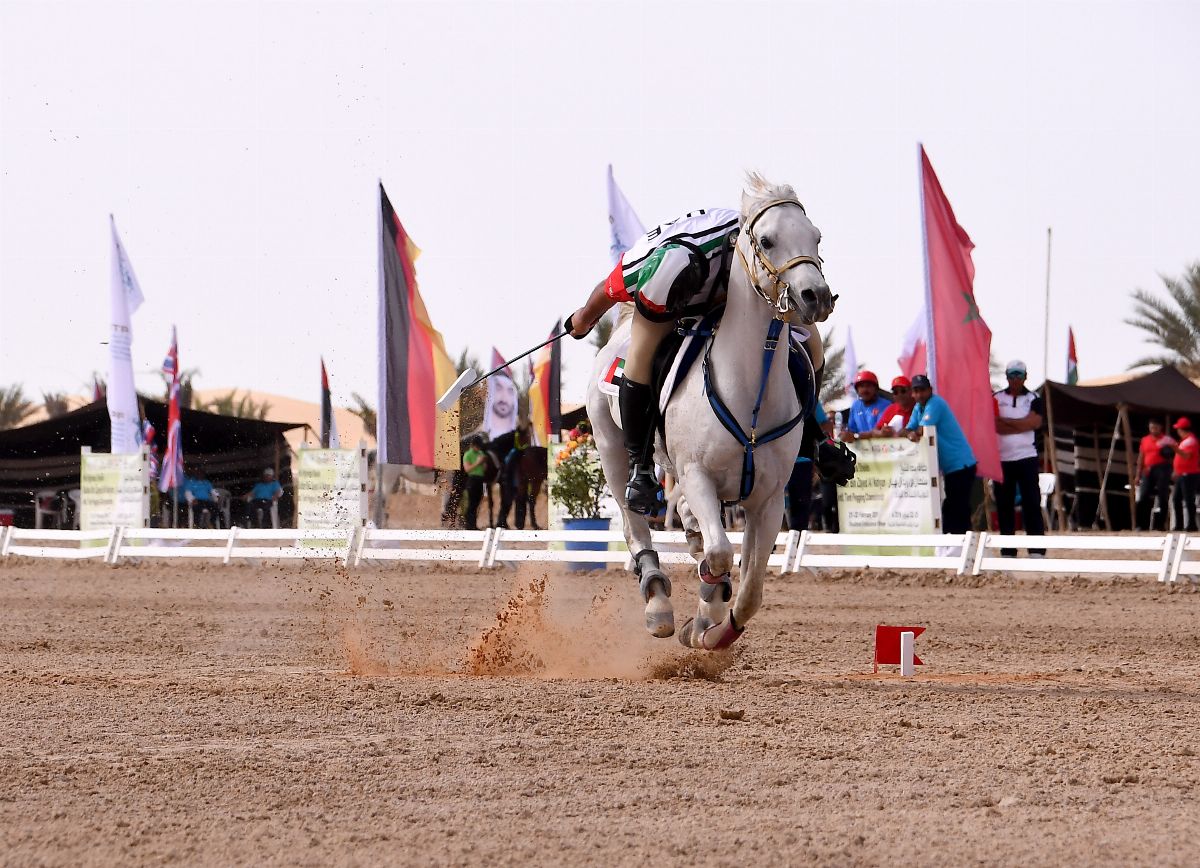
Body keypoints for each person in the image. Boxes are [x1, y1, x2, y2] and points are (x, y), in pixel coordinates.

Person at [564, 208, 742, 514]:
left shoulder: (740, 240)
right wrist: (582, 319)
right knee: (640, 358)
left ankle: (818, 441)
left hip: (729, 278)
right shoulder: (635, 266)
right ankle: (640, 466)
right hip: (669, 287)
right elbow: (601, 297)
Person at [906, 374, 978, 534]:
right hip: (951, 467)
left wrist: (912, 433)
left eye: (922, 390)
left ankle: (960, 544)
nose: (919, 394)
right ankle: (960, 544)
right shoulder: (918, 408)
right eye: (916, 391)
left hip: (961, 464)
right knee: (955, 507)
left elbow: (923, 429)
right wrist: (911, 433)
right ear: (912, 393)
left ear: (930, 390)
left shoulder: (936, 403)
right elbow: (910, 428)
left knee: (956, 506)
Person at [992, 360, 1046, 556]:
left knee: (1031, 502)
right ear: (1006, 376)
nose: (1015, 378)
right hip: (1002, 459)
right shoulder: (996, 398)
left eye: (1019, 374)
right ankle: (1008, 548)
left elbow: (1035, 423)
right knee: (1004, 504)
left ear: (1025, 376)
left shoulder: (1034, 398)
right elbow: (995, 425)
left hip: (1027, 457)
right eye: (1012, 374)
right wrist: (1022, 423)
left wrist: (1008, 423)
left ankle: (1036, 549)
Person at [785, 404, 831, 531]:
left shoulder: (808, 397)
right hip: (777, 459)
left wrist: (822, 453)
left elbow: (824, 426)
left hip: (801, 459)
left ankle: (797, 538)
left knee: (800, 503)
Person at [1135, 420, 1175, 531]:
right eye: (1151, 427)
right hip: (1148, 469)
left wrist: (1173, 470)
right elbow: (1141, 457)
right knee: (1143, 497)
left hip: (1162, 468)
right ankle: (1141, 525)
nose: (1153, 430)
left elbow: (1175, 455)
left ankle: (1160, 525)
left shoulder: (1167, 440)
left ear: (1160, 427)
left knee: (1163, 496)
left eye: (1155, 427)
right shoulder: (1145, 440)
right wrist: (1138, 474)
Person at [839, 371, 890, 443]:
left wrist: (856, 436)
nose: (865, 390)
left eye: (868, 386)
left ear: (875, 388)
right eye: (861, 386)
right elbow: (852, 430)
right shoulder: (855, 406)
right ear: (857, 390)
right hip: (862, 450)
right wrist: (845, 434)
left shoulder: (885, 405)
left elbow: (879, 432)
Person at [1171, 417, 1200, 532]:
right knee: (1176, 499)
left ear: (1181, 429)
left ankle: (1192, 524)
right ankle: (1179, 524)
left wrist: (1175, 448)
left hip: (1189, 474)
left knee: (1188, 499)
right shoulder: (1185, 441)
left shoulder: (1191, 441)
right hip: (1181, 474)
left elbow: (1186, 456)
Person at [462, 435, 488, 531]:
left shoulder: (480, 453)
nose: (478, 448)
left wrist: (483, 463)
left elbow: (484, 469)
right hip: (472, 479)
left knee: (477, 504)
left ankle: (473, 524)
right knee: (471, 503)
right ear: (473, 445)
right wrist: (478, 462)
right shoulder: (468, 454)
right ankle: (468, 524)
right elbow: (467, 469)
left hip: (480, 479)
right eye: (477, 446)